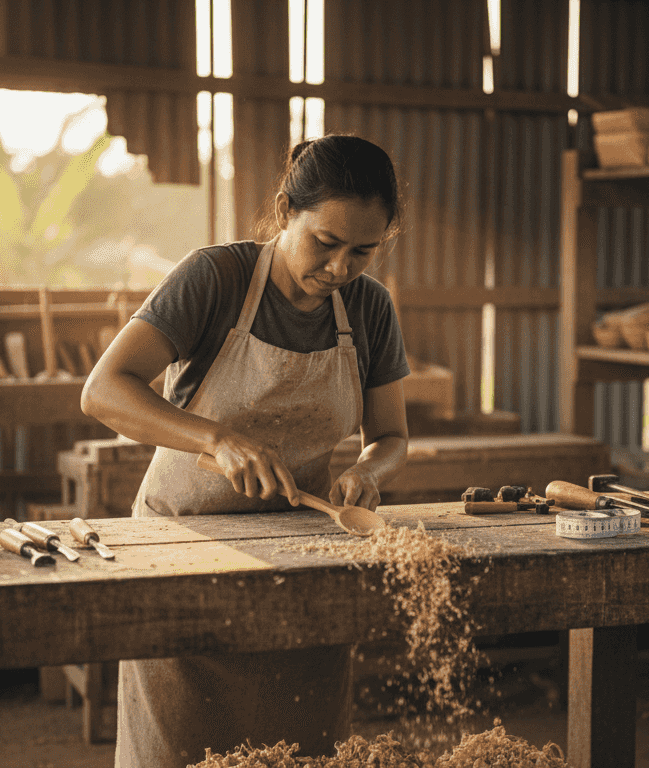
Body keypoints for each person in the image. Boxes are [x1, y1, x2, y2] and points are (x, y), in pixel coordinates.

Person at [81, 133, 411, 767]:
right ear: (286, 210)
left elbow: (391, 437)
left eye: (363, 250)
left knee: (300, 751)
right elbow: (104, 391)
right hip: (186, 552)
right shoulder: (216, 278)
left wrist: (369, 470)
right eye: (325, 242)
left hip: (301, 558)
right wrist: (216, 437)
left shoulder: (370, 308)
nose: (341, 267)